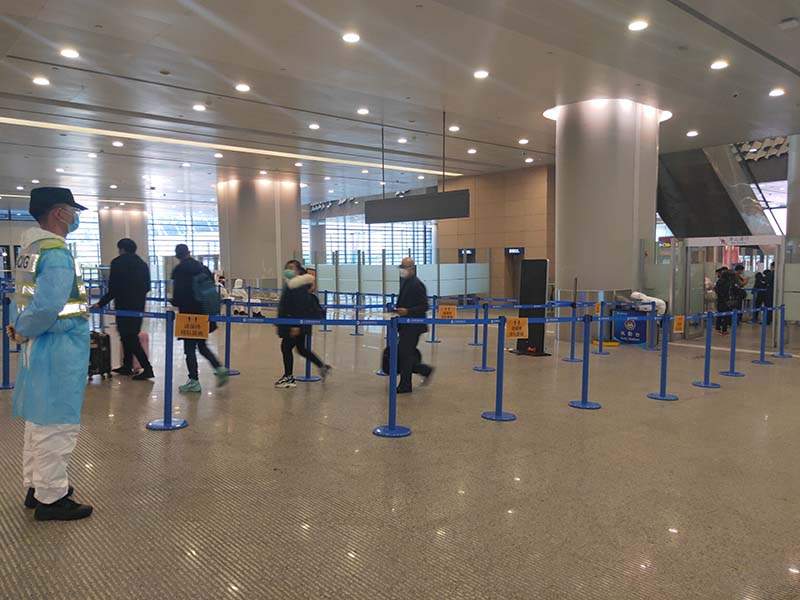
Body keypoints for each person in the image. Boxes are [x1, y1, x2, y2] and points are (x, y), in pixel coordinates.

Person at [7, 187, 93, 520]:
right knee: (57, 423)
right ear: (58, 213)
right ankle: (51, 497)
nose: (75, 217)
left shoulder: (30, 249)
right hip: (59, 347)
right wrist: (26, 330)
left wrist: (21, 329)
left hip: (39, 346)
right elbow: (47, 306)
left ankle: (37, 485)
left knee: (39, 420)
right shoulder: (56, 253)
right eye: (73, 211)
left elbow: (24, 300)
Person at [93, 238, 154, 380]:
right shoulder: (142, 264)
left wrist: (101, 303)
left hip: (123, 305)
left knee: (129, 337)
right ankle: (127, 365)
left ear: (122, 249)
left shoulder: (117, 263)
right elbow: (147, 287)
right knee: (128, 335)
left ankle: (147, 368)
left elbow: (113, 289)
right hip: (138, 306)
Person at [171, 244, 229, 393]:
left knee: (189, 349)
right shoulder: (202, 268)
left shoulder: (179, 270)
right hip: (203, 312)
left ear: (177, 255)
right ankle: (219, 368)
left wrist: (173, 302)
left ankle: (194, 381)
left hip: (188, 314)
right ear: (189, 252)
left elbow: (178, 295)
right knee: (202, 345)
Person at [274, 260, 330, 388]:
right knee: (301, 349)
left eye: (292, 268)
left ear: (298, 270)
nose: (289, 270)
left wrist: (296, 325)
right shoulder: (294, 283)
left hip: (295, 323)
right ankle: (322, 366)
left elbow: (299, 306)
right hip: (294, 322)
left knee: (286, 347)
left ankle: (288, 377)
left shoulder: (297, 285)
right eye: (287, 267)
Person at [392, 257, 433, 394]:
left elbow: (424, 306)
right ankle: (424, 370)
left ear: (412, 268)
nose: (402, 270)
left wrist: (408, 311)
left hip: (414, 326)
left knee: (405, 354)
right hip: (405, 324)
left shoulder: (417, 284)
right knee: (404, 353)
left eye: (404, 267)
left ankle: (406, 385)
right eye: (401, 267)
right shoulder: (405, 282)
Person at [714, 269, 740, 335]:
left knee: (719, 314)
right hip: (727, 300)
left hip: (720, 300)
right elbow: (737, 291)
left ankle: (718, 328)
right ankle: (724, 330)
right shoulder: (731, 283)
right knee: (726, 316)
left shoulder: (719, 281)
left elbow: (716, 289)